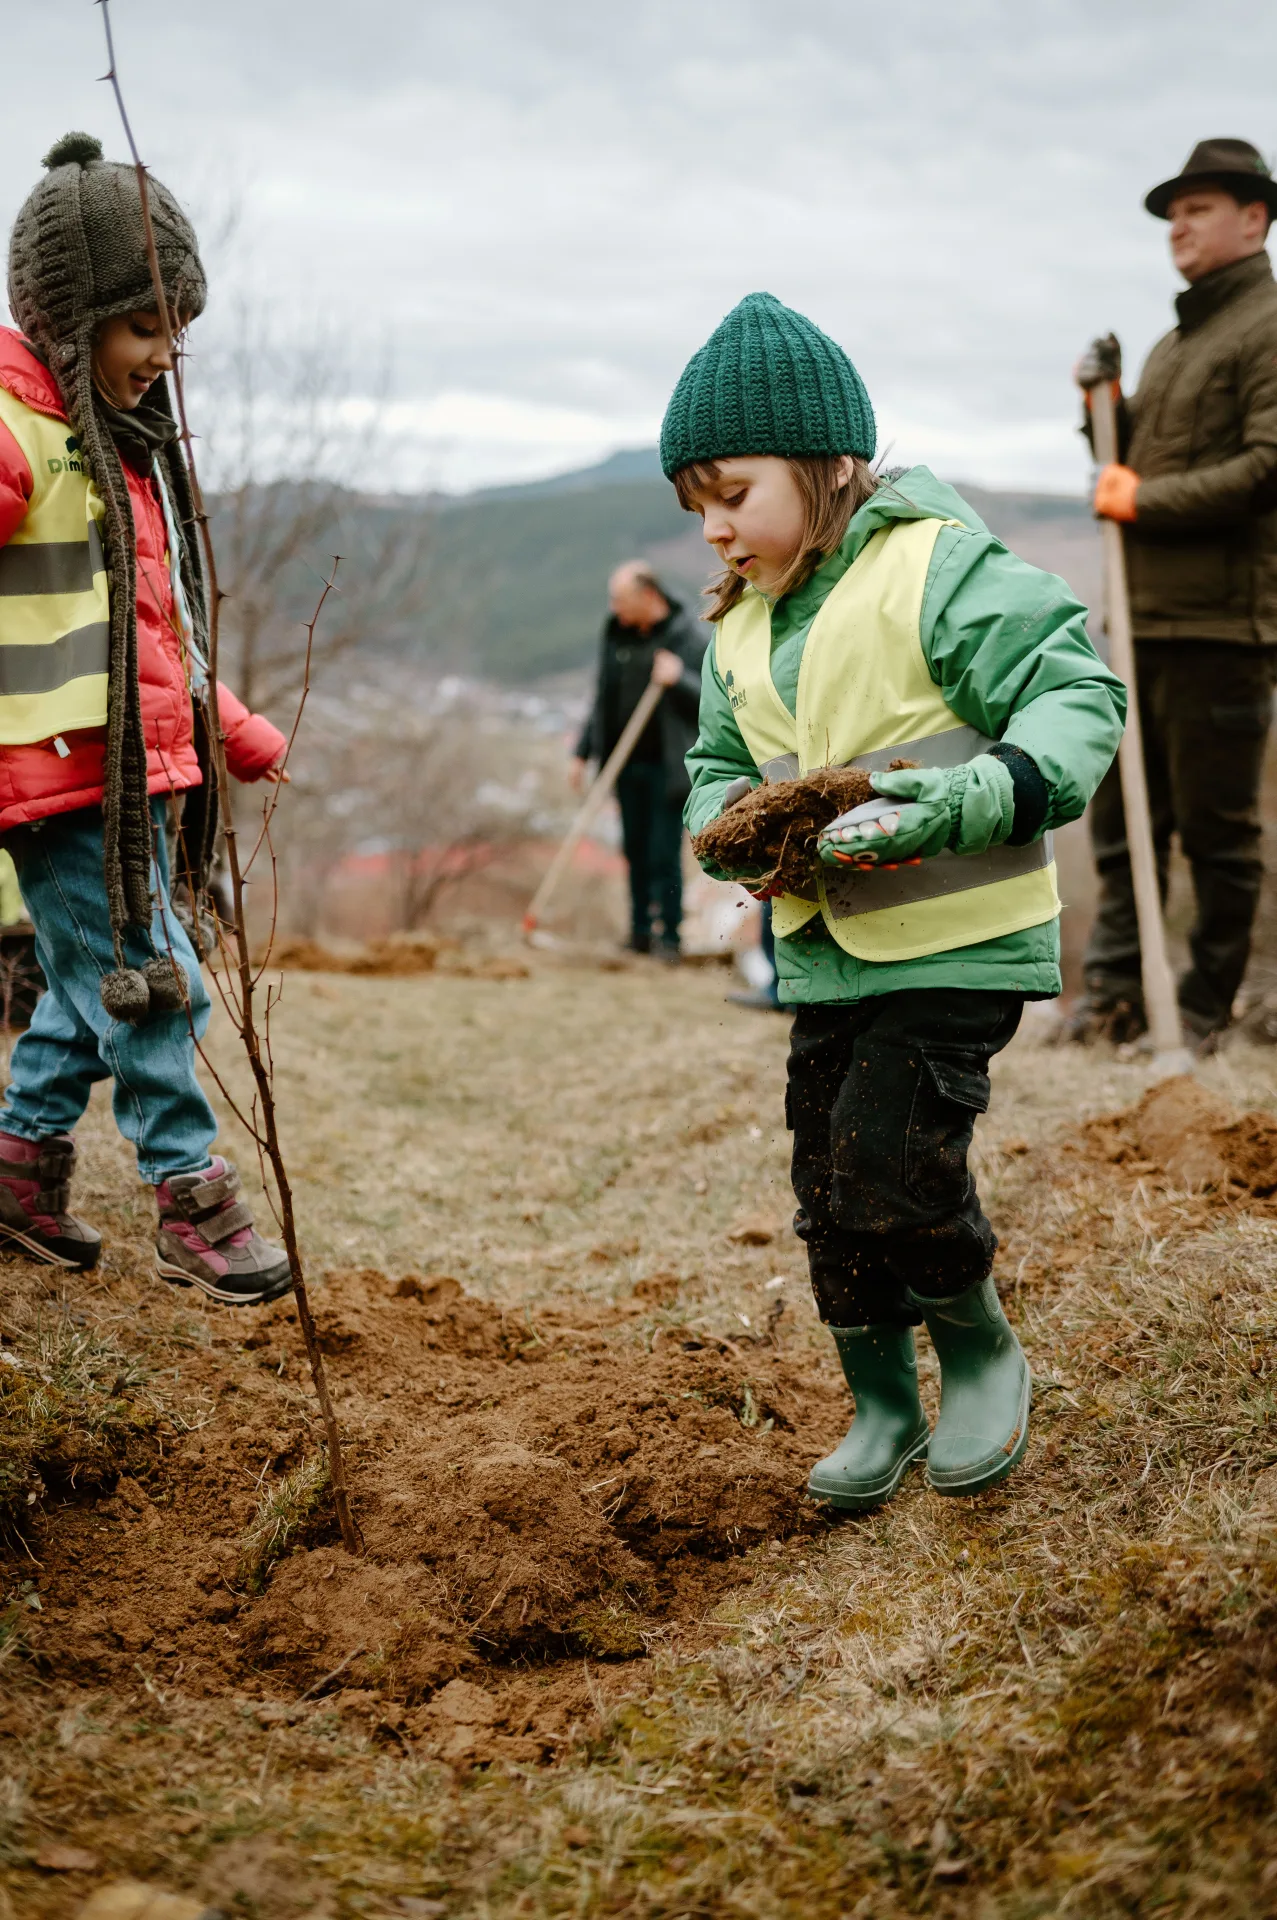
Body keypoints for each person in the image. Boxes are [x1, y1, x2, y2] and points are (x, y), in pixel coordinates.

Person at [670, 293, 1125, 1506]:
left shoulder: (933, 569)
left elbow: (1072, 693)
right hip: (826, 956)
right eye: (696, 506)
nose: (714, 530)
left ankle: (977, 1353)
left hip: (956, 947)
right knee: (823, 1178)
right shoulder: (737, 631)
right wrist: (722, 831)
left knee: (889, 1153)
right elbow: (715, 767)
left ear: (830, 467)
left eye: (733, 495)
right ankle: (879, 1399)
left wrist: (968, 797)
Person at [0, 132, 292, 1304]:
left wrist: (227, 728)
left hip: (126, 781)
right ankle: (190, 1195)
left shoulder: (118, 448)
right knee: (155, 980)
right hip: (56, 781)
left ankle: (18, 1170)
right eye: (143, 327)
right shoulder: (21, 435)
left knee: (89, 987)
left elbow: (149, 644)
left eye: (178, 329)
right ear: (71, 322)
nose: (166, 355)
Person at [1072, 138, 1277, 1050]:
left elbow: (1266, 468)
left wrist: (1140, 498)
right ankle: (1113, 998)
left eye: (1198, 209)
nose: (1178, 227)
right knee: (1122, 824)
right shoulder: (1170, 344)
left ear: (1254, 218)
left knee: (1215, 837)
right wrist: (1102, 410)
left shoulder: (1268, 327)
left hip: (1223, 627)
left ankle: (1201, 1008)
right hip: (1143, 620)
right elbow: (1124, 470)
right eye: (1171, 213)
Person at [572, 560, 706, 958]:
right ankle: (639, 932)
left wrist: (678, 678)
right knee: (634, 850)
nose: (615, 609)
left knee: (663, 853)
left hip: (669, 767)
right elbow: (602, 699)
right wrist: (582, 752)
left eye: (621, 599)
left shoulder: (688, 639)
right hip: (625, 764)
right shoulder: (617, 636)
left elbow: (712, 704)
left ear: (648, 595)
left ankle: (670, 937)